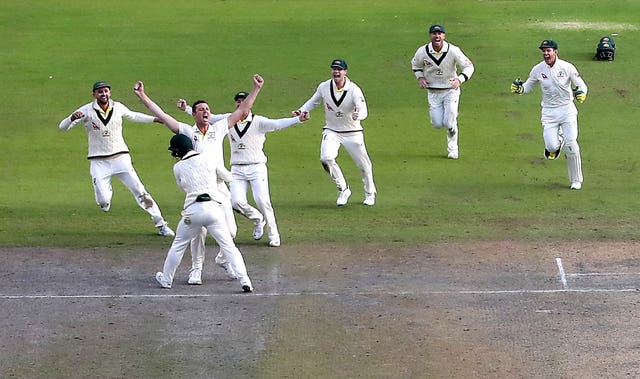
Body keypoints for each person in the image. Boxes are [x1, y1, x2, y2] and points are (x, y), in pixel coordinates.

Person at [133, 75, 264, 291]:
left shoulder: (219, 128)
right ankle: (196, 269)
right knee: (197, 232)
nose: (205, 111)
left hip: (219, 187)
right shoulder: (187, 132)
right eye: (201, 109)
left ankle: (222, 260)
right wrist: (143, 96)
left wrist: (256, 88)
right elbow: (163, 116)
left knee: (230, 232)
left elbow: (242, 112)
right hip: (198, 187)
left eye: (207, 109)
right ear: (194, 114)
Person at [178, 91, 310, 248]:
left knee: (262, 200)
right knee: (236, 201)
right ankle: (257, 219)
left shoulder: (259, 121)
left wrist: (298, 119)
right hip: (237, 169)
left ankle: (273, 234)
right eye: (238, 102)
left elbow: (278, 124)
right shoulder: (228, 119)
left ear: (249, 104)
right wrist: (187, 108)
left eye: (243, 101)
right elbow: (208, 118)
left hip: (257, 167)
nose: (240, 104)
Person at [58, 81, 175, 237]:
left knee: (141, 192)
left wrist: (155, 119)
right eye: (100, 92)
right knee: (104, 201)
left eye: (106, 91)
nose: (103, 94)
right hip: (98, 161)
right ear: (94, 94)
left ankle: (161, 224)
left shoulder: (118, 107)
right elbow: (62, 127)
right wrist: (72, 118)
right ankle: (106, 193)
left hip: (121, 158)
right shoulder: (86, 110)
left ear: (110, 93)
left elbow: (134, 115)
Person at [154, 134, 253, 292]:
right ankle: (245, 280)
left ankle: (166, 279)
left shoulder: (178, 167)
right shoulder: (209, 158)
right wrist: (214, 179)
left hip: (193, 211)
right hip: (214, 209)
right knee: (229, 247)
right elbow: (228, 177)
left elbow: (183, 187)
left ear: (178, 150)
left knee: (178, 245)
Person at [292, 58, 377, 206]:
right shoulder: (324, 86)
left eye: (339, 69)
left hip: (353, 132)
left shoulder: (354, 89)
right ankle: (343, 188)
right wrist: (301, 110)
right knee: (326, 158)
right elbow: (313, 101)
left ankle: (370, 193)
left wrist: (359, 115)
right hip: (332, 131)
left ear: (345, 72)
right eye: (334, 69)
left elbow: (363, 108)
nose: (336, 72)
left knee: (364, 166)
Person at [510, 39, 588, 190]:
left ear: (555, 52)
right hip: (549, 113)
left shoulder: (567, 67)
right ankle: (558, 138)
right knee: (551, 148)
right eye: (544, 51)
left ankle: (576, 180)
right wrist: (520, 89)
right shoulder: (538, 69)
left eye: (548, 50)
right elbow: (528, 86)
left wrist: (581, 94)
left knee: (571, 145)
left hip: (567, 110)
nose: (546, 53)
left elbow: (581, 86)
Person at [410, 24, 475, 160]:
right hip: (433, 92)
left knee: (450, 123)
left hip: (451, 91)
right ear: (430, 36)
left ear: (444, 36)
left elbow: (469, 66)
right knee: (437, 124)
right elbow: (415, 65)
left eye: (440, 33)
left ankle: (453, 149)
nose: (437, 36)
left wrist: (460, 79)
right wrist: (420, 78)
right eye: (434, 33)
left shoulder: (453, 50)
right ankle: (449, 117)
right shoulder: (422, 51)